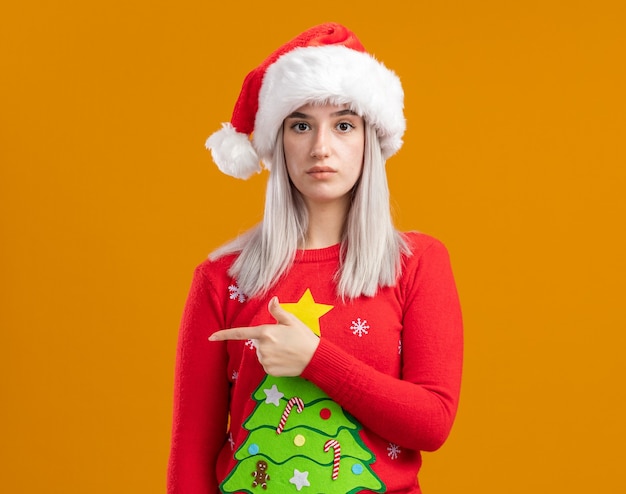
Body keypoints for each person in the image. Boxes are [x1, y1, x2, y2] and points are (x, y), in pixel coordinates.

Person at [168, 22, 463, 494]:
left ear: (370, 139)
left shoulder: (418, 263)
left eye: (343, 125)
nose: (321, 147)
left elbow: (432, 424)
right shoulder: (221, 278)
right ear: (278, 143)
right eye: (300, 125)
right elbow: (190, 454)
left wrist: (315, 359)